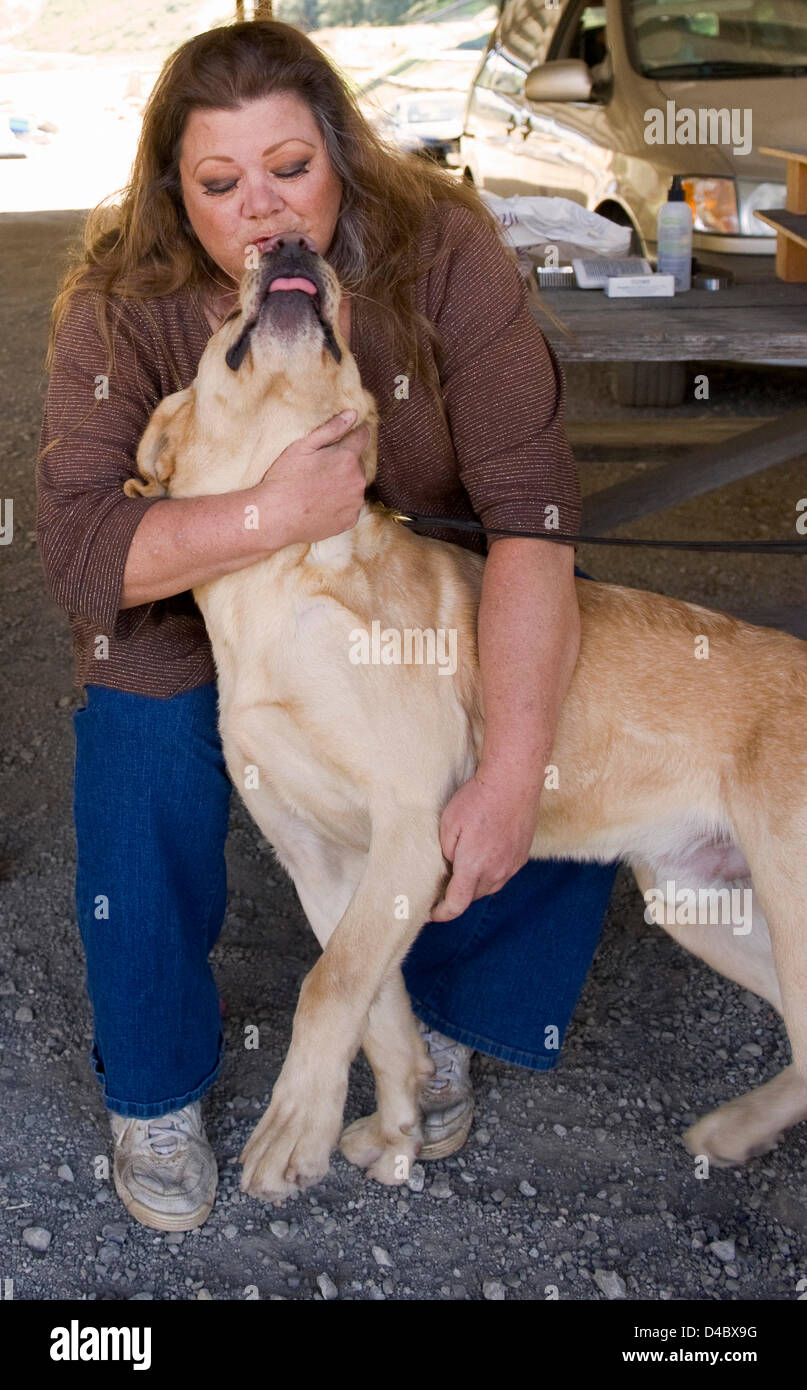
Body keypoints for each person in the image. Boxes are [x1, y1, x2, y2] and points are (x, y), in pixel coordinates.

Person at [35, 20, 618, 1232]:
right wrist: (269, 511)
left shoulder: (440, 245)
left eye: (290, 168)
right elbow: (85, 552)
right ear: (171, 192)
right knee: (141, 750)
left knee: (548, 685)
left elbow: (534, 512)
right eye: (218, 183)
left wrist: (510, 772)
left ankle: (440, 1026)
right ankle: (155, 1083)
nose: (262, 209)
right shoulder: (119, 310)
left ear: (342, 158)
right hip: (198, 603)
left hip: (411, 583)